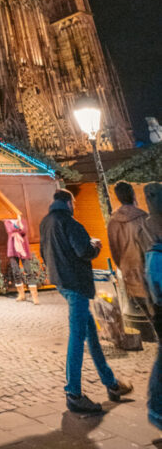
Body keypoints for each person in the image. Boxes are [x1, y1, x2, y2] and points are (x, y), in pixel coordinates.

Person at [39, 188, 132, 414]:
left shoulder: (46, 222)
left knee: (91, 334)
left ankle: (111, 383)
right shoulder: (71, 223)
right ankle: (73, 393)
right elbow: (83, 251)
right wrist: (95, 247)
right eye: (74, 203)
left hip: (62, 282)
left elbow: (45, 252)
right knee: (78, 338)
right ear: (69, 203)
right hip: (76, 285)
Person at [136, 182, 162, 430]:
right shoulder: (152, 226)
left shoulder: (144, 225)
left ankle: (156, 410)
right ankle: (157, 410)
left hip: (152, 296)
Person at [107, 181, 149, 312]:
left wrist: (123, 266)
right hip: (147, 269)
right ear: (133, 194)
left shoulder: (113, 222)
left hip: (128, 271)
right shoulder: (142, 217)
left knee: (141, 311)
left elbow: (114, 251)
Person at [4, 215, 38, 304]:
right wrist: (19, 227)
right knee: (16, 272)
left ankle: (34, 296)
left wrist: (19, 226)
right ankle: (21, 294)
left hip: (23, 249)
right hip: (12, 249)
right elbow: (10, 230)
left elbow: (24, 231)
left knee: (28, 271)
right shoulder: (7, 221)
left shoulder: (23, 220)